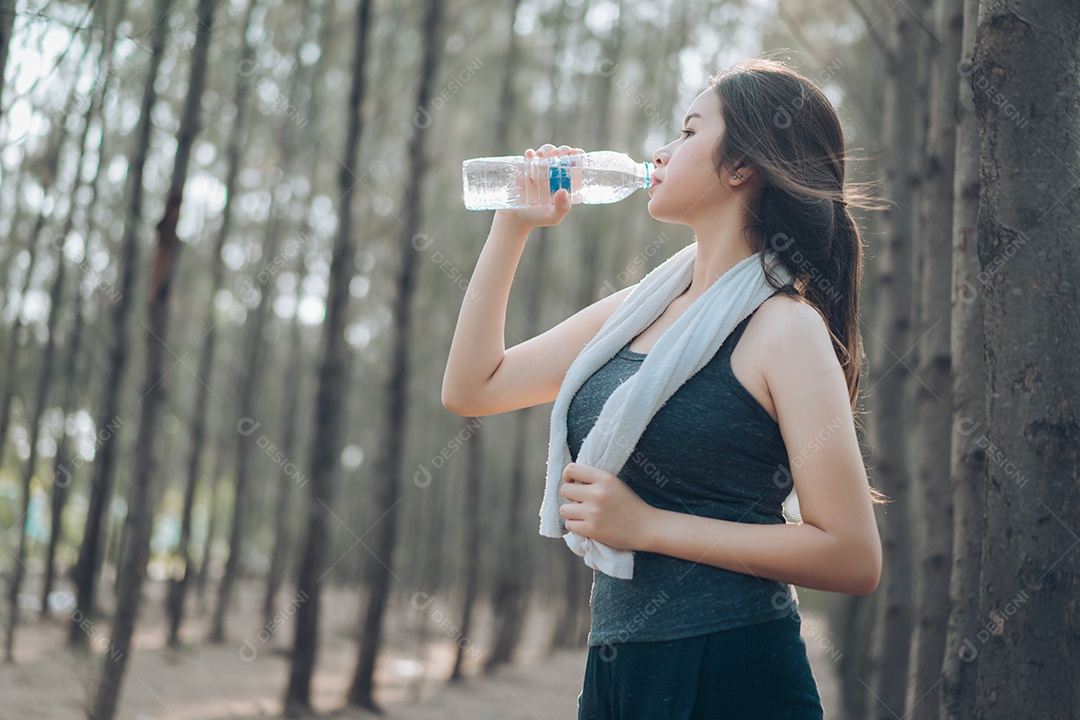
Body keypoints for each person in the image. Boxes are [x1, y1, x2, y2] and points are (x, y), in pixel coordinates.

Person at [441, 56, 884, 720]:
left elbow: (851, 555)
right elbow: (474, 387)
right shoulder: (637, 310)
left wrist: (648, 526)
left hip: (732, 668)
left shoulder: (785, 327)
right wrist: (512, 225)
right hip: (619, 668)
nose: (661, 152)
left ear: (740, 166)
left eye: (688, 131)